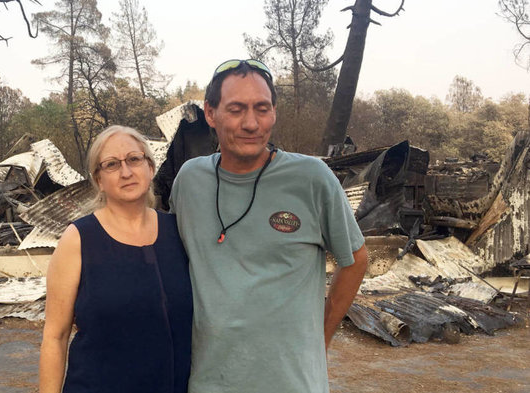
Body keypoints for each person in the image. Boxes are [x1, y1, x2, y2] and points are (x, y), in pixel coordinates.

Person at [170, 59, 368, 393]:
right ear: (210, 113)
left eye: (262, 108)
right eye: (236, 109)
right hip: (209, 382)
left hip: (292, 383)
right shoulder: (189, 181)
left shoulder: (312, 179)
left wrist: (319, 338)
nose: (251, 123)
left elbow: (355, 260)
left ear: (274, 112)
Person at [40, 125, 192, 393]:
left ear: (150, 167)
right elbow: (56, 336)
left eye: (134, 159)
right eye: (111, 164)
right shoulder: (79, 239)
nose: (126, 172)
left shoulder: (178, 233)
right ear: (98, 180)